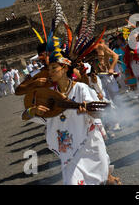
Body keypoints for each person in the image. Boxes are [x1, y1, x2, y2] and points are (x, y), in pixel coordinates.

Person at [21, 37, 120, 185]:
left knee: (102, 180)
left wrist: (87, 111)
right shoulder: (49, 95)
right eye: (49, 69)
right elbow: (25, 116)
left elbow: (98, 113)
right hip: (68, 152)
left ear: (65, 68)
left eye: (54, 68)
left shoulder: (80, 89)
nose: (50, 72)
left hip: (89, 145)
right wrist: (33, 110)